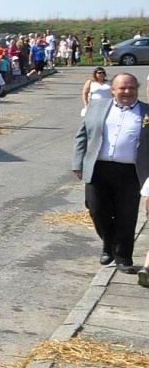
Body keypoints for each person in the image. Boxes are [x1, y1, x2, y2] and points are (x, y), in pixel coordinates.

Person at [73, 73, 149, 273]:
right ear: (112, 90)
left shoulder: (146, 112)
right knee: (96, 210)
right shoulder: (97, 107)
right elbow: (82, 136)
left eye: (131, 88)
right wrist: (77, 163)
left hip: (132, 172)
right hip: (99, 168)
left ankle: (123, 257)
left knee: (126, 215)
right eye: (122, 88)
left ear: (137, 89)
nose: (127, 92)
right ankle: (109, 243)